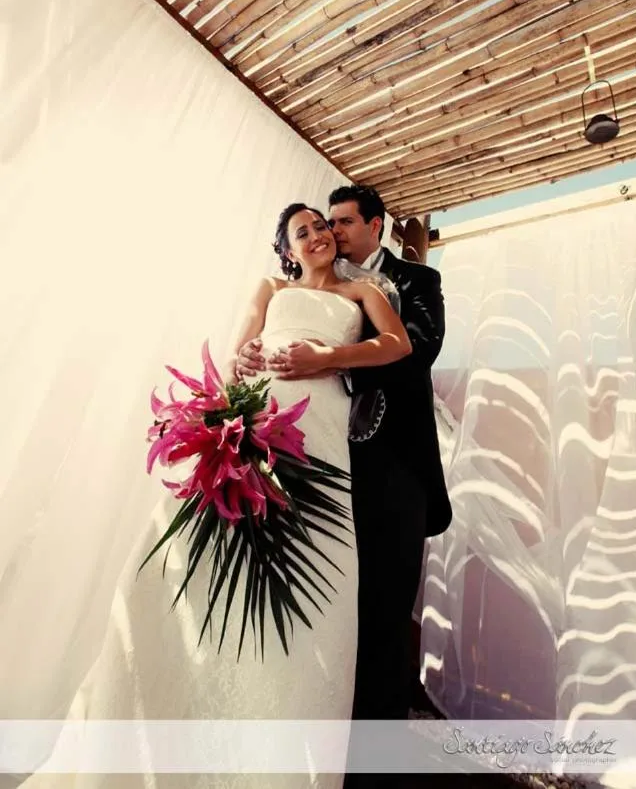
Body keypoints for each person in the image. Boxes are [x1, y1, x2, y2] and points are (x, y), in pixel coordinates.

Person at [20, 203, 413, 789]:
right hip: (259, 413)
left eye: (322, 226)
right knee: (202, 558)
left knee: (315, 567)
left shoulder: (363, 295)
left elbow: (397, 345)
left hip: (321, 428)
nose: (317, 235)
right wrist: (247, 358)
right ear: (286, 249)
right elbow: (235, 353)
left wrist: (326, 357)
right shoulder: (271, 288)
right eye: (301, 232)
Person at [238, 185, 452, 738]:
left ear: (376, 226)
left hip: (395, 464)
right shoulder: (282, 286)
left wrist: (326, 359)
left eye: (339, 223)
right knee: (313, 583)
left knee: (383, 607)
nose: (329, 233)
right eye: (316, 226)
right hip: (317, 443)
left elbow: (415, 349)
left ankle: (374, 753)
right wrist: (255, 357)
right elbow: (250, 336)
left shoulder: (410, 282)